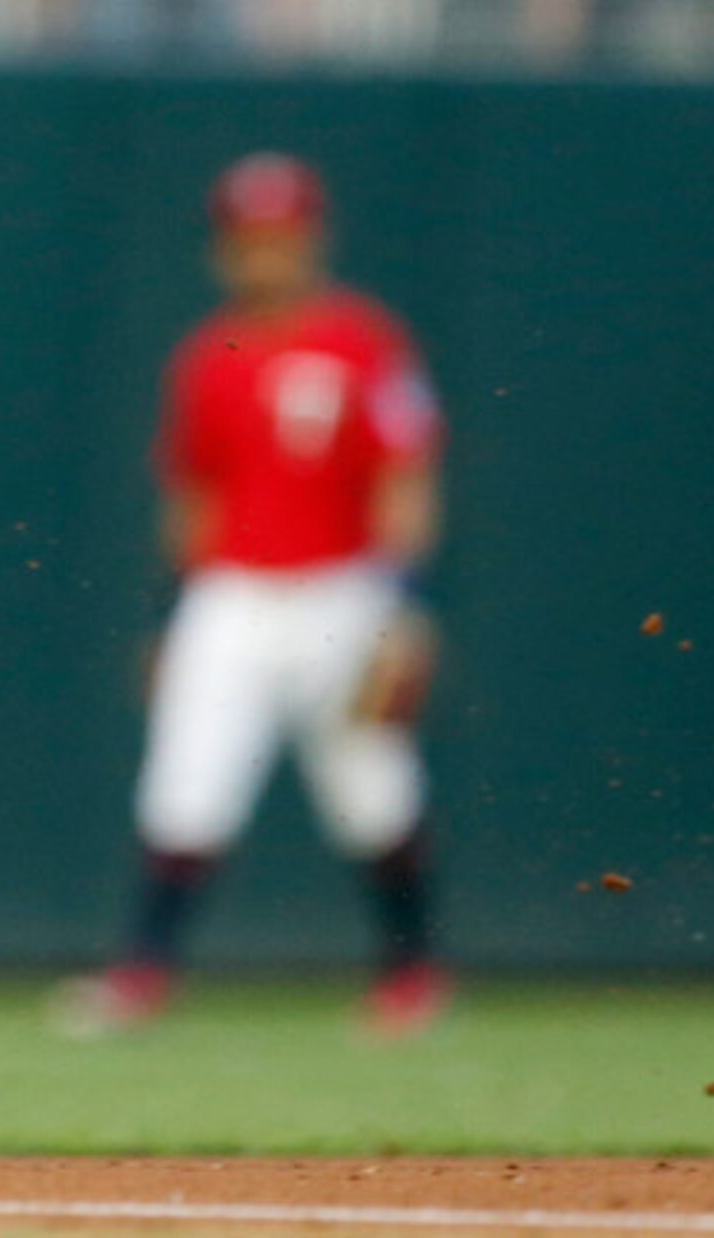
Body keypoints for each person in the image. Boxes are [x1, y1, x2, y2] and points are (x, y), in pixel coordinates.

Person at [57, 153, 451, 1040]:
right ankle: (141, 976)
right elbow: (193, 499)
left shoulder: (364, 340)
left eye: (279, 236)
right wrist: (171, 614)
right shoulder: (207, 357)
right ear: (223, 249)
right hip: (231, 593)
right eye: (246, 239)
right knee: (185, 787)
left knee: (372, 788)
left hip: (342, 591)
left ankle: (414, 978)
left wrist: (402, 609)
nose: (262, 255)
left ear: (311, 238)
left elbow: (408, 476)